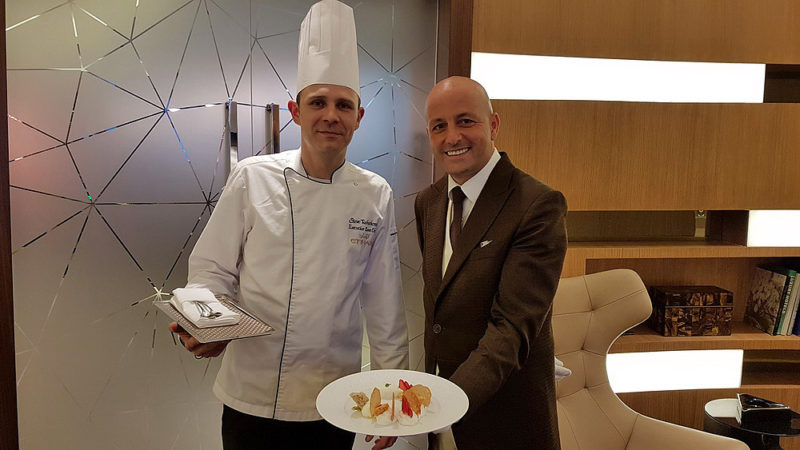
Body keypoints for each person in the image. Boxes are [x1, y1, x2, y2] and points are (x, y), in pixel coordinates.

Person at [168, 1, 408, 449]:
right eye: (318, 103)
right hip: (251, 396)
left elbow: (385, 304)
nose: (330, 115)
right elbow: (211, 270)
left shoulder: (375, 193)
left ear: (359, 117)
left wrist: (390, 396)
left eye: (343, 105)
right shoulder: (251, 177)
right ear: (296, 111)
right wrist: (206, 324)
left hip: (334, 397)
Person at [414, 76, 567, 450]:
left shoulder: (537, 205)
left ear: (494, 124)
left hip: (508, 420)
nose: (452, 137)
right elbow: (442, 308)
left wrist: (442, 404)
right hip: (442, 419)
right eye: (439, 126)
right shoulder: (429, 202)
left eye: (466, 121)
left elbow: (511, 328)